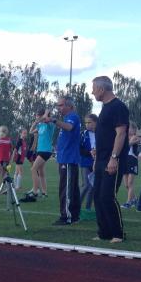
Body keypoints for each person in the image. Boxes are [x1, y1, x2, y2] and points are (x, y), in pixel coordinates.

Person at [91, 76, 130, 243]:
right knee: (97, 196)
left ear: (101, 89)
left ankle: (118, 234)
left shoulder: (118, 107)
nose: (92, 92)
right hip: (101, 160)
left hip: (112, 160)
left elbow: (121, 134)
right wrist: (96, 159)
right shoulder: (105, 108)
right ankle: (104, 233)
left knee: (107, 196)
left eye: (94, 88)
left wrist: (114, 158)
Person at [52, 96, 81, 225]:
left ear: (69, 106)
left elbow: (68, 127)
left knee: (66, 188)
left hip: (68, 159)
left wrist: (54, 120)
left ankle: (66, 216)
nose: (59, 108)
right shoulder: (66, 118)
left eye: (61, 105)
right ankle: (74, 215)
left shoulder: (72, 117)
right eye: (58, 105)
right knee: (72, 188)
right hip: (65, 158)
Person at [23, 109, 55, 201]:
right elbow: (31, 131)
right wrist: (35, 122)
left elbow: (46, 118)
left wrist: (45, 113)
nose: (36, 117)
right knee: (41, 172)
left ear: (42, 116)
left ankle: (35, 191)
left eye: (37, 116)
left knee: (33, 169)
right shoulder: (40, 125)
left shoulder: (50, 124)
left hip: (46, 150)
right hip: (40, 150)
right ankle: (44, 193)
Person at [79, 114, 97, 218]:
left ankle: (88, 209)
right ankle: (76, 207)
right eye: (86, 122)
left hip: (97, 163)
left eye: (89, 122)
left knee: (92, 186)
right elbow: (79, 148)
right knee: (86, 185)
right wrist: (89, 152)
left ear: (95, 122)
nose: (87, 124)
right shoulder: (83, 134)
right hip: (85, 162)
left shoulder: (100, 134)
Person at [119, 123, 141, 208]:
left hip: (132, 160)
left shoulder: (135, 137)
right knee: (126, 185)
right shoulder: (124, 137)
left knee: (130, 183)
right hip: (124, 160)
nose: (128, 129)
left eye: (130, 128)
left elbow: (128, 145)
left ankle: (128, 202)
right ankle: (134, 199)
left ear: (134, 129)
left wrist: (127, 143)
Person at [0, 125, 14, 192]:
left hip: (5, 160)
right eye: (1, 131)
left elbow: (12, 151)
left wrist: (10, 161)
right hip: (2, 160)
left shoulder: (7, 141)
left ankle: (3, 188)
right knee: (1, 174)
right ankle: (0, 188)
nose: (1, 133)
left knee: (4, 174)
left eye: (3, 131)